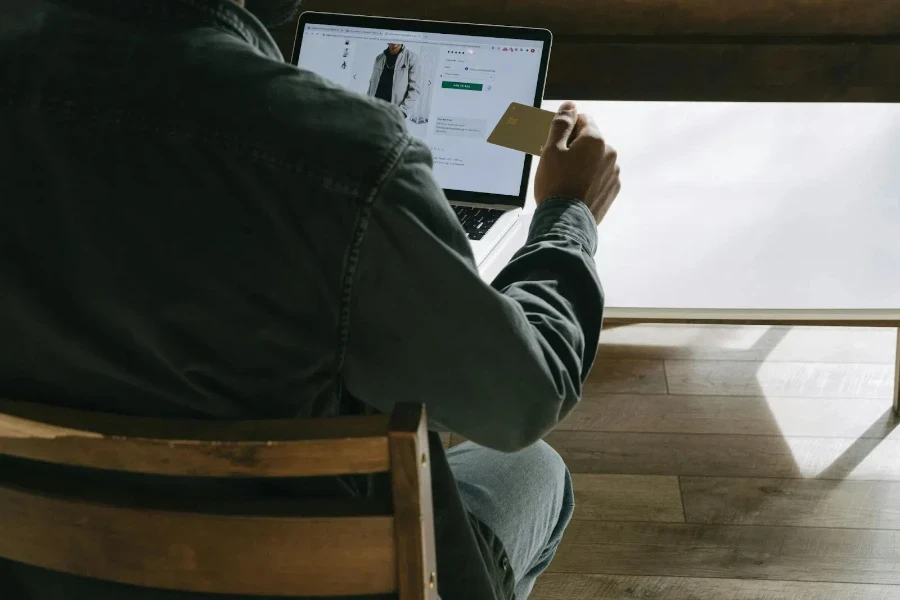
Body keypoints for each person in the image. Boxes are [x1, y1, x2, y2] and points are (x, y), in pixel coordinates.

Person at [0, 1, 620, 599]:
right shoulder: (348, 155)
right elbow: (521, 399)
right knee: (534, 469)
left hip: (44, 566)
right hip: (305, 576)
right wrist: (568, 215)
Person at [367, 42, 420, 117]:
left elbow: (415, 90)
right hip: (373, 111)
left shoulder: (411, 58)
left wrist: (402, 111)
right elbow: (371, 84)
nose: (394, 43)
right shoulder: (379, 58)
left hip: (393, 115)